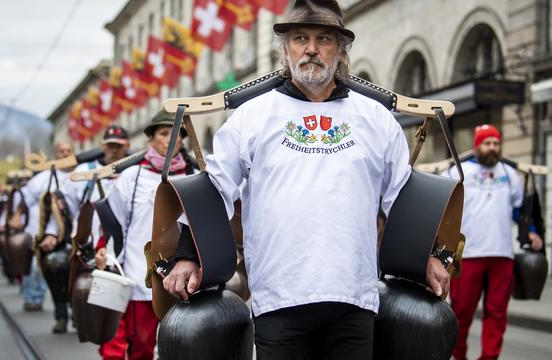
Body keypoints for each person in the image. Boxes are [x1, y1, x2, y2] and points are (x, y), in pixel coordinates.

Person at [162, 1, 450, 359]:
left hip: (354, 299)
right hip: (279, 299)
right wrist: (188, 254)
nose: (311, 49)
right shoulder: (252, 116)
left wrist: (428, 255)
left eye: (324, 39)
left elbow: (400, 198)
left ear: (341, 52)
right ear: (286, 50)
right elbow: (215, 188)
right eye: (300, 38)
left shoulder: (376, 119)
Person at [94, 113, 194, 360]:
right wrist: (102, 247)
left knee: (184, 346)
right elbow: (110, 220)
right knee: (141, 345)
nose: (171, 139)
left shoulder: (194, 175)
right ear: (150, 138)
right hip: (141, 276)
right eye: (163, 133)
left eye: (176, 134)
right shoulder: (132, 177)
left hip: (186, 276)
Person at [443, 124, 543, 360]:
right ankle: (459, 355)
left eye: (496, 144)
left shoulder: (509, 175)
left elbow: (519, 211)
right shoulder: (458, 170)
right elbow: (444, 206)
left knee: (497, 313)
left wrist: (531, 231)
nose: (493, 148)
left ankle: (490, 357)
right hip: (467, 255)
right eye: (487, 143)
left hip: (502, 255)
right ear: (478, 146)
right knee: (462, 312)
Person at [39, 125, 130, 333]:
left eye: (118, 146)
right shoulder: (83, 173)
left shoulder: (135, 172)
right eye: (110, 146)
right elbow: (63, 209)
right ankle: (64, 313)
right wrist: (52, 233)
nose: (114, 150)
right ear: (102, 146)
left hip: (123, 242)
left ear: (127, 146)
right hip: (87, 242)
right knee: (55, 263)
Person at [20, 140, 74, 313]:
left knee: (73, 275)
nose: (65, 154)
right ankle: (40, 301)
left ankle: (74, 313)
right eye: (61, 151)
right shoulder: (42, 179)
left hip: (73, 236)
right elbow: (23, 201)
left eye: (68, 151)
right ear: (55, 154)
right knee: (45, 269)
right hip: (47, 235)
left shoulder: (81, 174)